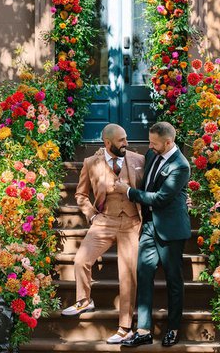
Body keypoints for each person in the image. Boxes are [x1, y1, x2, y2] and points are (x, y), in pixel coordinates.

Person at [61, 124, 145, 344]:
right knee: (81, 260)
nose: (126, 143)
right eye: (121, 141)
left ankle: (125, 328)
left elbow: (150, 186)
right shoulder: (91, 163)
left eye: (126, 139)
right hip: (104, 220)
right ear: (107, 143)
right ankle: (84, 300)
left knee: (127, 275)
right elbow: (80, 194)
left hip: (131, 222)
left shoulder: (138, 160)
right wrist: (91, 215)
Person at [114, 121, 191, 348]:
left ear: (169, 142)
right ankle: (144, 330)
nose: (150, 146)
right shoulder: (152, 152)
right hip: (149, 227)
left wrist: (127, 192)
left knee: (174, 281)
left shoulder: (181, 166)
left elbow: (160, 198)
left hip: (172, 230)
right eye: (150, 141)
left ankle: (174, 329)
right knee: (144, 275)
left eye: (154, 143)